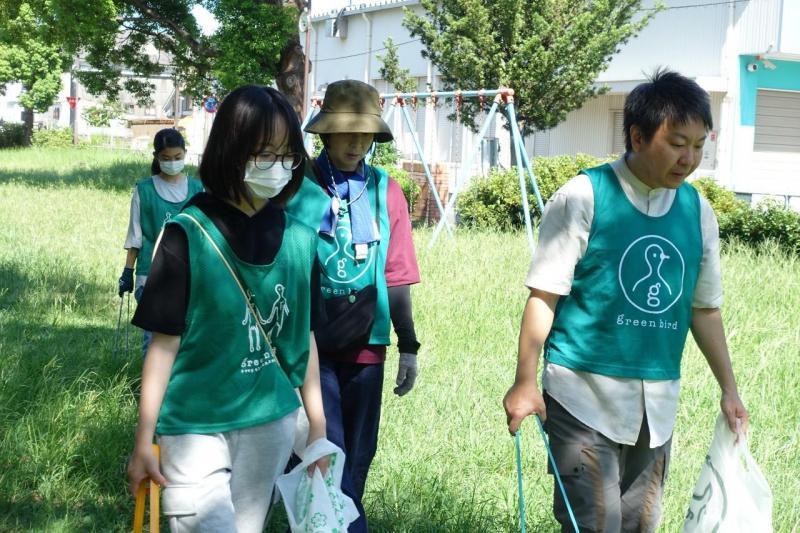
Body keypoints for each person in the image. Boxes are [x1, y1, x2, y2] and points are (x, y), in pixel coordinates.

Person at [503, 69, 749, 533]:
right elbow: (544, 294)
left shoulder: (697, 211)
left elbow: (704, 308)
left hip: (656, 406)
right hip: (581, 395)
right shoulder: (584, 196)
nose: (689, 158)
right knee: (596, 524)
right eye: (678, 142)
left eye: (699, 145)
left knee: (641, 525)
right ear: (637, 136)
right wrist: (524, 382)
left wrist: (729, 390)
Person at [126, 85, 328, 533]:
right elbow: (163, 344)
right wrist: (144, 436)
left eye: (286, 155)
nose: (276, 167)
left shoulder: (300, 239)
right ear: (232, 150)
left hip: (270, 423)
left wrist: (317, 427)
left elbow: (304, 338)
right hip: (192, 426)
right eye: (263, 153)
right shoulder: (186, 233)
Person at [285, 79, 422, 532]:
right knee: (323, 452)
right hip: (310, 347)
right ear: (324, 133)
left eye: (364, 134)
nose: (355, 143)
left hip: (368, 345)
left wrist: (409, 346)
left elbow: (397, 275)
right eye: (346, 132)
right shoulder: (299, 187)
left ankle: (338, 520)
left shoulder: (387, 190)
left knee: (358, 457)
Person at [118, 128, 203, 355]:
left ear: (185, 154)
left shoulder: (197, 189)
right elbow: (135, 236)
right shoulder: (144, 190)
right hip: (151, 275)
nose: (172, 162)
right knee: (154, 340)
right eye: (166, 158)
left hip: (190, 274)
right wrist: (128, 271)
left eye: (177, 158)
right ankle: (152, 389)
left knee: (187, 340)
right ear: (156, 157)